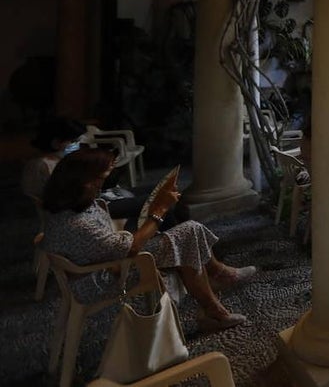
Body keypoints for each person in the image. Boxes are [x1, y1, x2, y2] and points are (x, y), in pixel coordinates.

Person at [41, 148, 253, 331]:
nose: (102, 184)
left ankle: (215, 291)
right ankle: (215, 297)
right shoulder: (78, 223)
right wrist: (159, 210)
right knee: (188, 232)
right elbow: (131, 248)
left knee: (186, 235)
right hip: (103, 278)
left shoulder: (66, 206)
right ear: (83, 181)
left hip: (105, 262)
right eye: (100, 178)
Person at [22, 116, 86, 200]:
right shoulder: (38, 166)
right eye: (73, 141)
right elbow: (33, 197)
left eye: (78, 141)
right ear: (55, 142)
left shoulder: (65, 159)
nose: (77, 145)